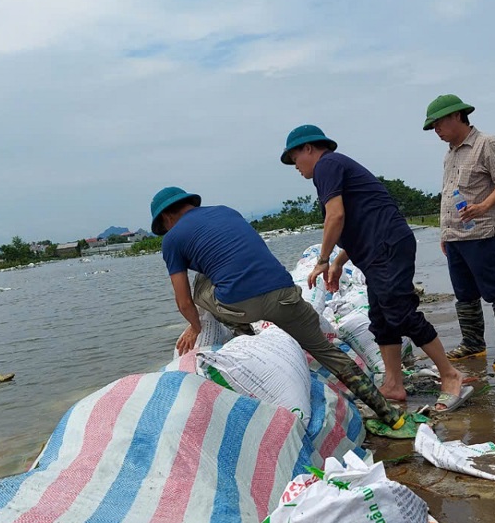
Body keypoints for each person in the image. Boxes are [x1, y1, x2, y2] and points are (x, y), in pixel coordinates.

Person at [149, 185, 412, 436]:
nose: (166, 231)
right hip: (286, 293)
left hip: (241, 305)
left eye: (163, 227)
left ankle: (248, 340)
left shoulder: (173, 238)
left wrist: (196, 328)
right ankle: (391, 416)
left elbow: (184, 301)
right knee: (326, 351)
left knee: (200, 286)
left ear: (167, 216)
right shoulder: (226, 211)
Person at [280, 124, 472, 415]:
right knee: (381, 317)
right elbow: (359, 221)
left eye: (294, 159)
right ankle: (394, 384)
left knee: (400, 312)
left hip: (387, 246)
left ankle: (450, 375)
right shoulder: (334, 167)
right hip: (379, 248)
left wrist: (322, 260)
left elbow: (336, 216)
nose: (296, 166)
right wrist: (338, 262)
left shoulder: (327, 165)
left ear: (308, 149)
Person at [423, 94, 495, 370]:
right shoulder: (450, 153)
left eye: (438, 125)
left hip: (481, 233)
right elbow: (448, 194)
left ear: (456, 116)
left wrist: (484, 206)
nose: (437, 132)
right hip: (455, 237)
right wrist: (444, 233)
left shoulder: (486, 144)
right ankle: (473, 343)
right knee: (464, 293)